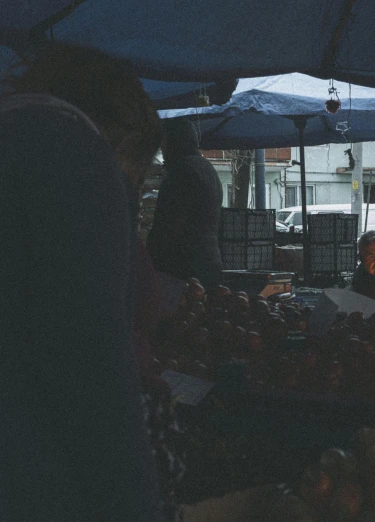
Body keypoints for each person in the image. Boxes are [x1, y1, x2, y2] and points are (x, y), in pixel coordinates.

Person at [0, 44, 164, 520]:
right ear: (123, 141)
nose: (131, 193)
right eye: (136, 179)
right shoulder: (74, 158)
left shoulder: (15, 139)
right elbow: (92, 366)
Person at [146, 118, 224, 291]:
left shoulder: (182, 172)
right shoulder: (207, 169)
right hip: (209, 263)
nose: (162, 150)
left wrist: (148, 262)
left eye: (163, 143)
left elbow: (167, 226)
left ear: (173, 141)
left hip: (183, 271)